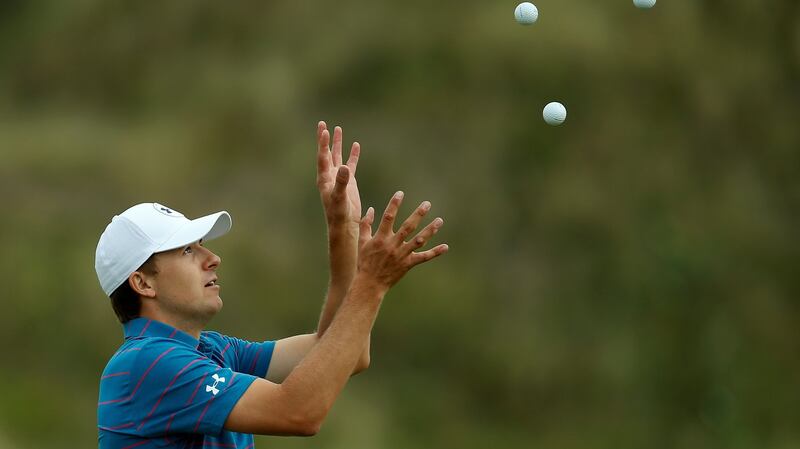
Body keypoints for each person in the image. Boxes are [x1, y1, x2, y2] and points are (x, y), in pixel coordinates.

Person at [95, 122, 448, 448]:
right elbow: (300, 412)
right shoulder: (149, 364)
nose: (211, 258)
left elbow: (345, 352)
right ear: (142, 283)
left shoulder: (210, 351)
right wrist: (371, 283)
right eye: (188, 250)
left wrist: (344, 229)